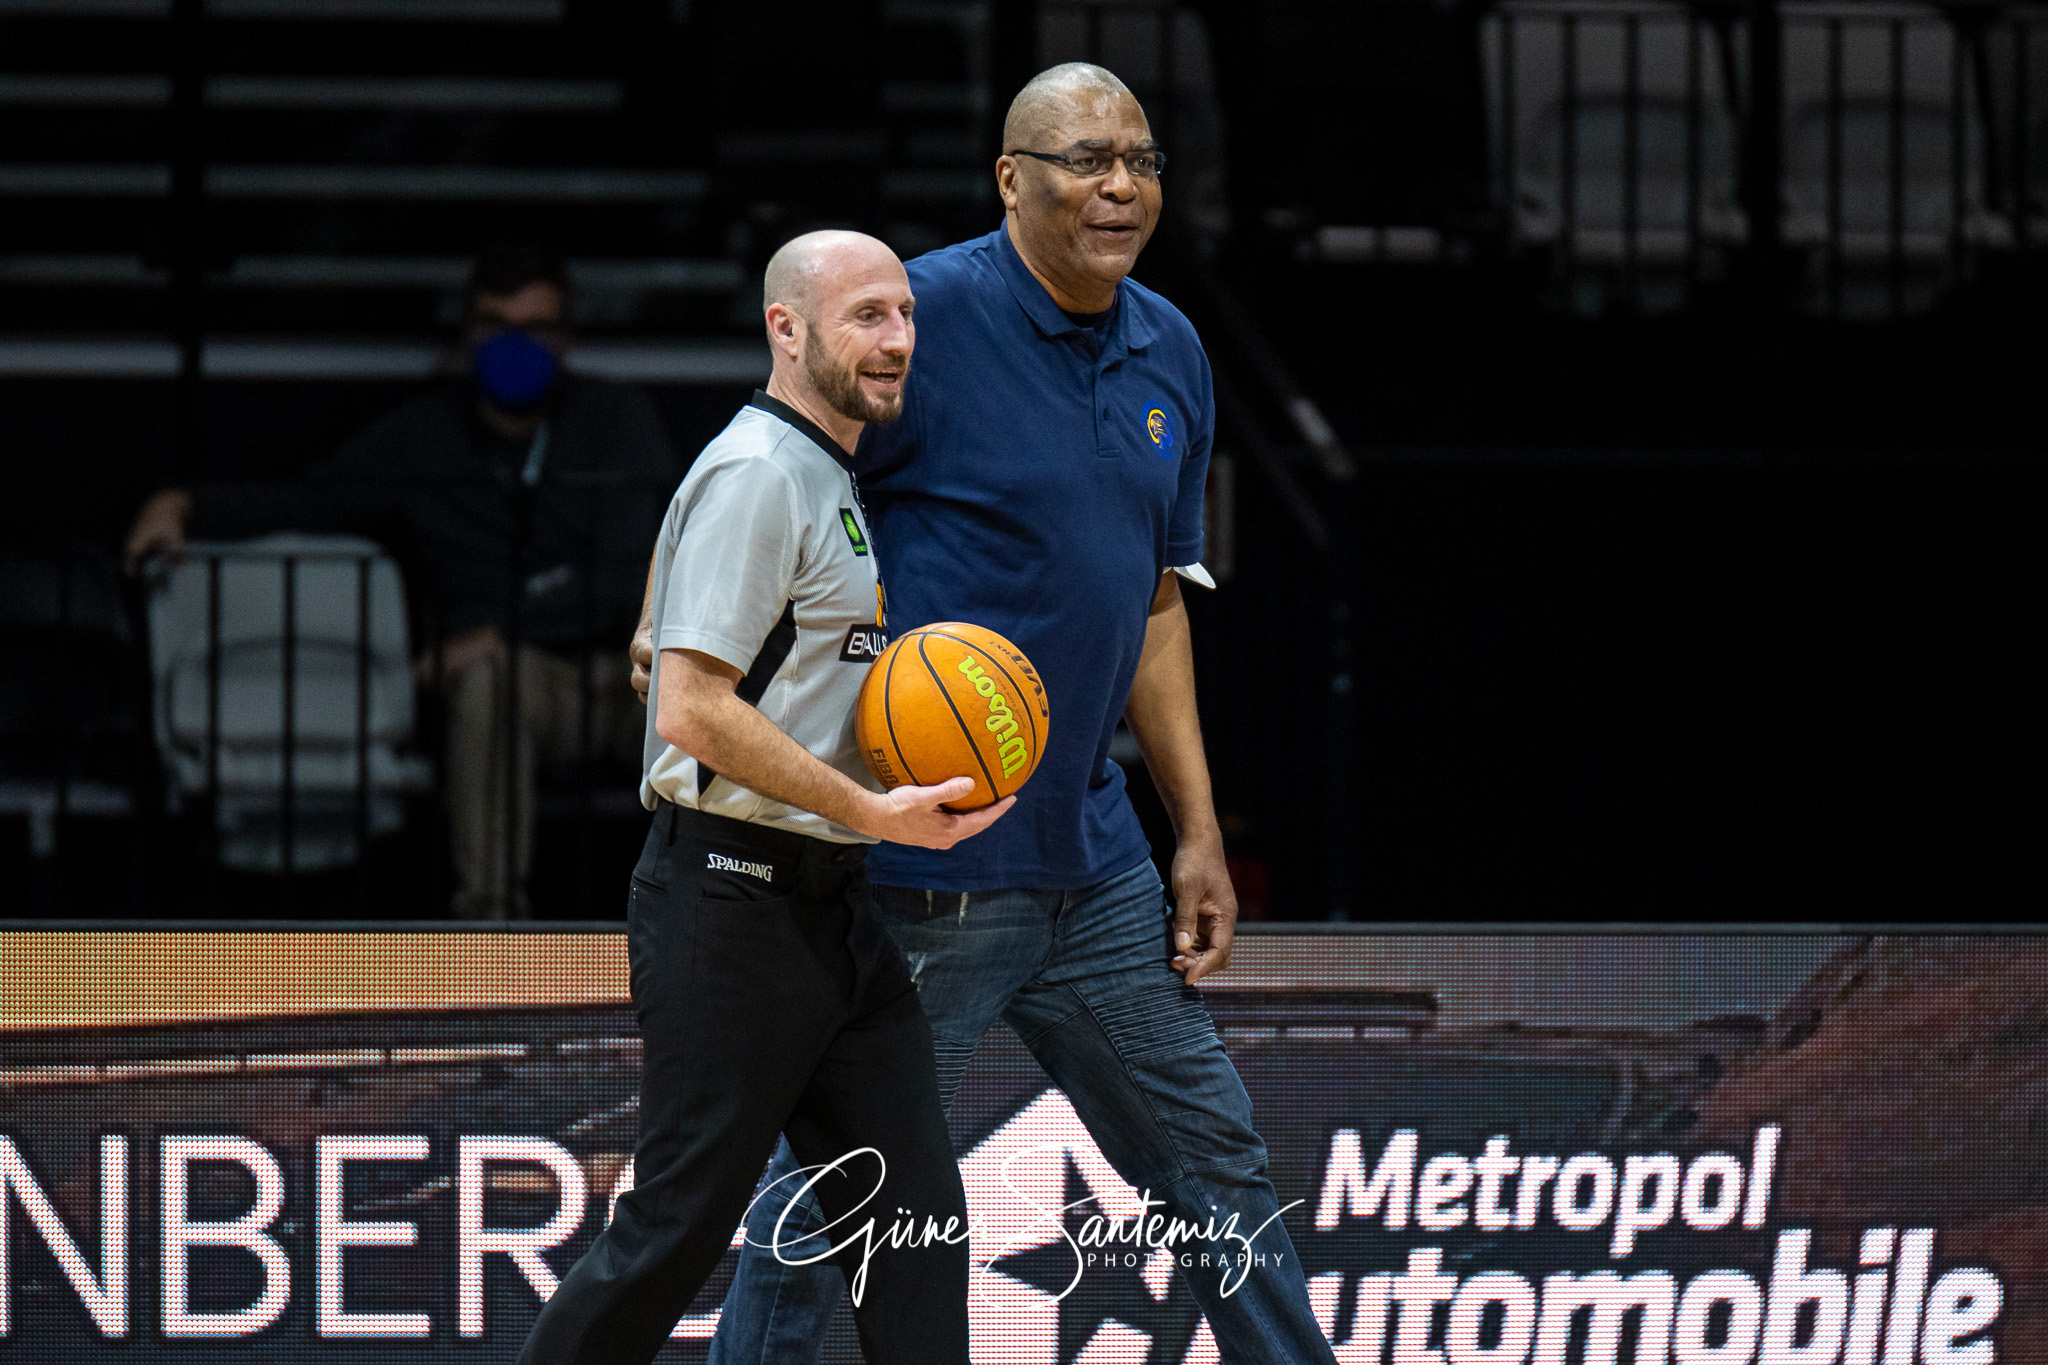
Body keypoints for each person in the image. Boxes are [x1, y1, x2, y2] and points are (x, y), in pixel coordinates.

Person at [635, 64, 1343, 1365]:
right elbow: (766, 460)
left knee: (1215, 1166)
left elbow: (1154, 602)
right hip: (928, 865)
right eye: (1085, 159)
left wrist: (1193, 828)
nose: (1120, 185)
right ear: (1011, 179)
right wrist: (673, 620)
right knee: (835, 1204)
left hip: (1096, 858)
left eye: (1140, 160)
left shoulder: (1171, 348)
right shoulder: (923, 317)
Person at [519, 231, 1003, 1365]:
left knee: (914, 1228)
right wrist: (870, 809)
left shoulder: (810, 467)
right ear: (786, 329)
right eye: (866, 316)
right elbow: (688, 710)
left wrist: (668, 633)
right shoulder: (762, 472)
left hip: (828, 908)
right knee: (673, 1230)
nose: (897, 340)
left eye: (904, 314)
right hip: (733, 901)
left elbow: (664, 639)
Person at [124, 242, 675, 918]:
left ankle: (716, 931)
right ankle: (493, 938)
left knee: (711, 695)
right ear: (467, 333)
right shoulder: (425, 434)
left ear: (565, 338)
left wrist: (494, 631)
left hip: (627, 674)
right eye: (494, 325)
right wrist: (184, 504)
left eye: (534, 329)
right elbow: (313, 500)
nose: (514, 346)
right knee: (490, 687)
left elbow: (625, 576)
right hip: (527, 684)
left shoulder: (615, 421)